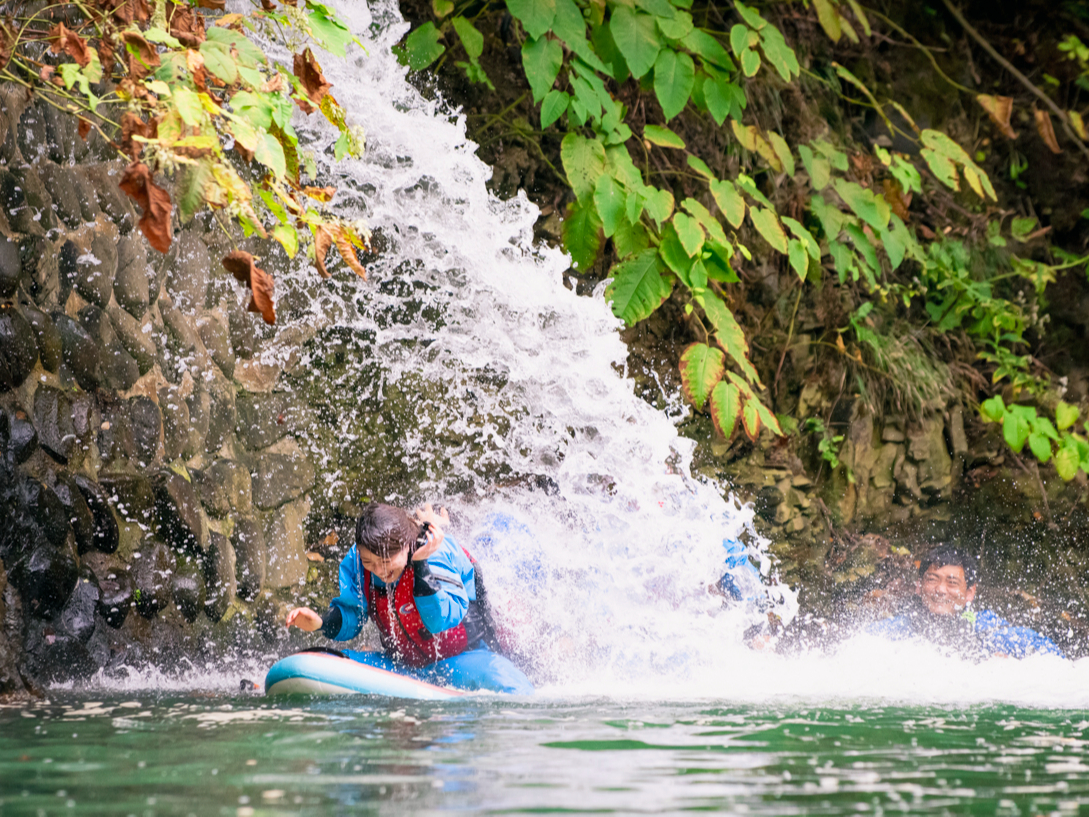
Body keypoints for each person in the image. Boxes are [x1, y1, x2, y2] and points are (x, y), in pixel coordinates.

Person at [286, 503, 534, 694]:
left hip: (463, 660)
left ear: (406, 546)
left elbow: (440, 620)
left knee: (515, 687)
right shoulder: (359, 562)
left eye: (385, 562)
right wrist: (321, 622)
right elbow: (353, 613)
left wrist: (421, 565)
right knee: (314, 660)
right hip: (401, 667)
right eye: (370, 562)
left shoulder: (436, 552)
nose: (379, 571)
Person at [867, 544, 1064, 659]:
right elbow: (858, 648)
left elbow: (1051, 656)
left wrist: (1013, 667)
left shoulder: (983, 628)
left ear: (970, 592)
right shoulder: (902, 628)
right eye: (932, 579)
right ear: (919, 586)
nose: (941, 590)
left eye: (952, 583)